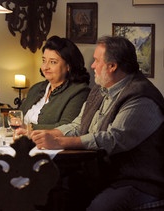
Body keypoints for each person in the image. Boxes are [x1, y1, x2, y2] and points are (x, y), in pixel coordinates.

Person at [22, 36, 164, 210]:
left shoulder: (140, 97)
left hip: (137, 182)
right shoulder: (101, 89)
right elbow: (78, 125)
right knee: (53, 194)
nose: (92, 66)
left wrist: (59, 142)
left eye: (97, 61)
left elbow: (112, 139)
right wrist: (41, 135)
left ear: (112, 66)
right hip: (103, 176)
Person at [20, 35, 90, 130]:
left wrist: (28, 128)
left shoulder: (79, 91)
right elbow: (18, 116)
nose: (45, 67)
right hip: (22, 140)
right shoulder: (36, 88)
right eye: (44, 61)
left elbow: (66, 127)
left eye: (53, 62)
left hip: (51, 144)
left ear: (68, 66)